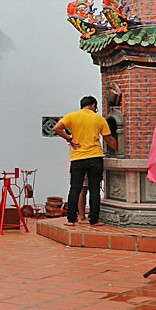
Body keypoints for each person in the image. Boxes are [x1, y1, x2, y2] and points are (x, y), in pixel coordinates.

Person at [53, 96, 118, 226]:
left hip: (78, 158)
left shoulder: (72, 116)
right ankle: (94, 220)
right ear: (93, 105)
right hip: (95, 157)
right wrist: (120, 150)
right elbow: (109, 138)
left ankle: (71, 220)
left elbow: (56, 128)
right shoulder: (99, 119)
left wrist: (70, 139)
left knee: (75, 189)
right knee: (94, 190)